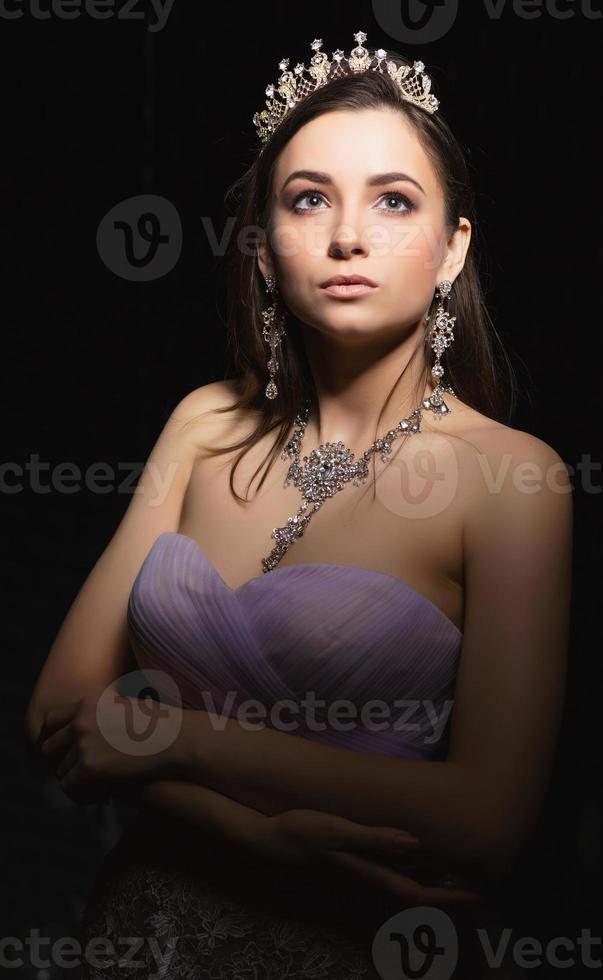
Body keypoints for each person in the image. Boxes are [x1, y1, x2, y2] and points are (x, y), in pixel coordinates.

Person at [24, 30, 573, 980]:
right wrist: (254, 836)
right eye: (309, 198)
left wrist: (175, 739)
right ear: (266, 251)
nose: (347, 235)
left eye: (394, 202)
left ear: (452, 250)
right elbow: (60, 715)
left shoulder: (514, 479)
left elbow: (487, 821)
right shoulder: (203, 425)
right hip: (134, 936)